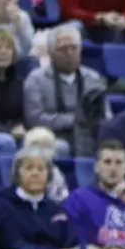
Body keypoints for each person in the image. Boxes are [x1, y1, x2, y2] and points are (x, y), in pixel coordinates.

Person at [23, 23, 107, 157]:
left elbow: (106, 115)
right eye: (63, 49)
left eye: (74, 48)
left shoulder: (94, 79)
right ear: (51, 53)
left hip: (89, 135)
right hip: (53, 137)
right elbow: (35, 119)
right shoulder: (35, 80)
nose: (70, 53)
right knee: (58, 148)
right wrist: (75, 120)